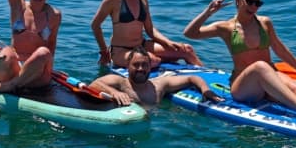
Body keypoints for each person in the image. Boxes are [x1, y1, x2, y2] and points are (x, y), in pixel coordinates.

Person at [91, 0, 201, 70]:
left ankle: (209, 76)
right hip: (121, 50)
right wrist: (103, 50)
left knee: (186, 50)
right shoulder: (112, 0)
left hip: (142, 46)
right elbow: (95, 25)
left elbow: (150, 30)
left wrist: (167, 42)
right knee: (151, 60)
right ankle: (162, 60)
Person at [89, 45, 219, 107]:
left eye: (144, 65)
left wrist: (205, 90)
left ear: (150, 66)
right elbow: (94, 85)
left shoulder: (159, 85)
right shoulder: (120, 82)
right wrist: (114, 92)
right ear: (128, 65)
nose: (140, 69)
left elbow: (192, 78)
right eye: (136, 65)